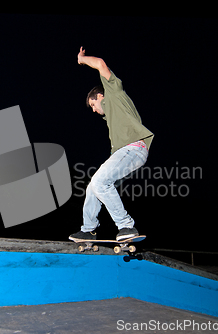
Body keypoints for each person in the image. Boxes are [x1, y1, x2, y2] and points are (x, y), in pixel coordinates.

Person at [69, 47, 154, 242]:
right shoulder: (112, 115)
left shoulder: (113, 93)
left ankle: (126, 226)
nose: (93, 110)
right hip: (126, 154)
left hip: (133, 149)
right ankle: (88, 230)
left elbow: (100, 63)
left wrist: (81, 59)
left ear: (100, 96)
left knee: (100, 182)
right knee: (94, 187)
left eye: (92, 105)